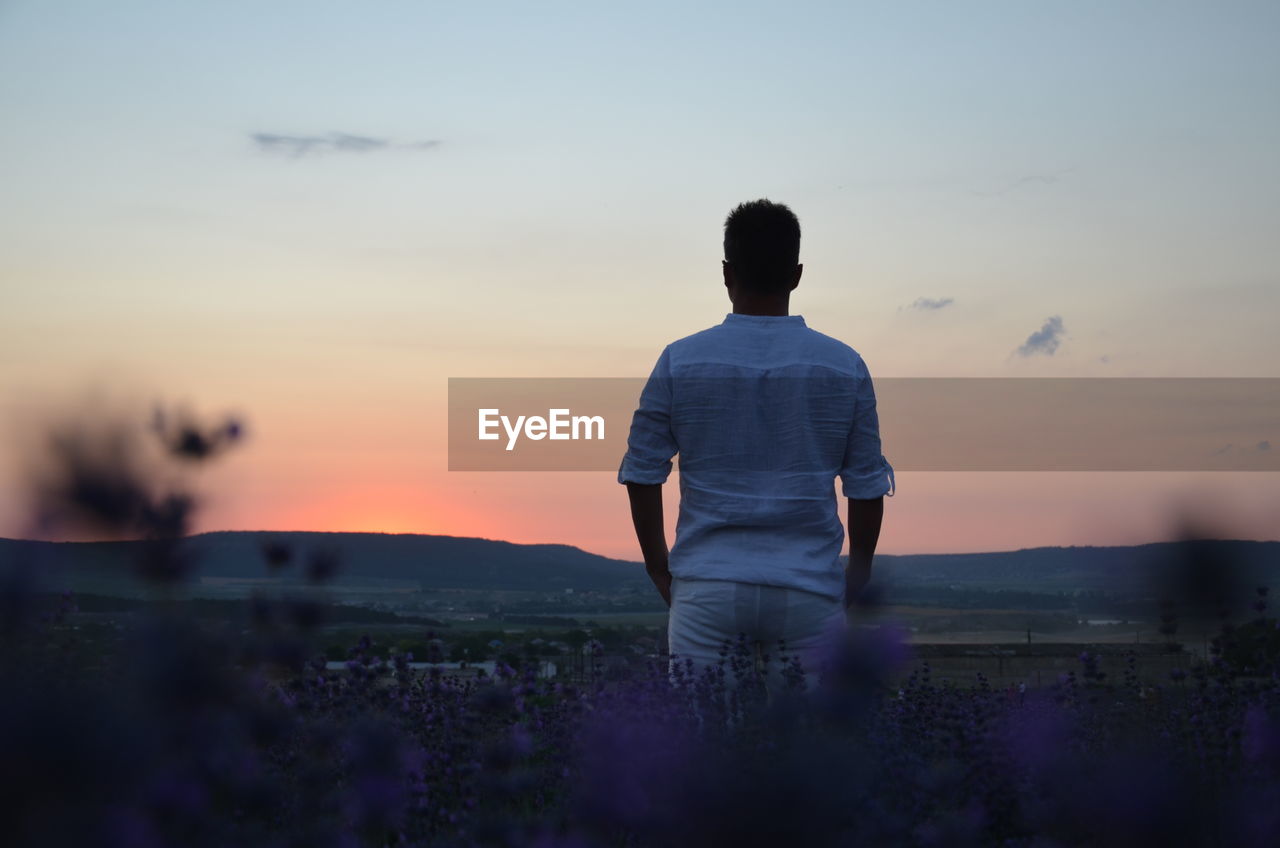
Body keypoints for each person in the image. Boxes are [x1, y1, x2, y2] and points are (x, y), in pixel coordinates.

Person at [619, 199, 894, 700]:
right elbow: (866, 483)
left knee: (703, 757)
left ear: (726, 271)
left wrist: (659, 567)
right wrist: (859, 571)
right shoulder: (843, 365)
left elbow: (642, 471)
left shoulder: (681, 360)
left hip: (707, 585)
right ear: (797, 273)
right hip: (810, 586)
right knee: (807, 759)